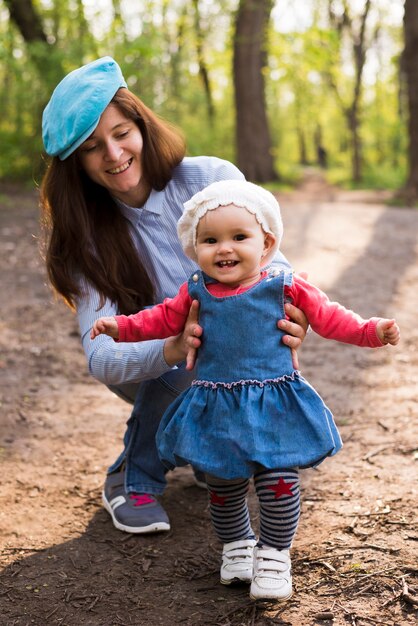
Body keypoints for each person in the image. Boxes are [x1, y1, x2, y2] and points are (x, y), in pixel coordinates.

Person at [91, 179, 400, 602]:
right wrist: (120, 327)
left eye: (240, 237)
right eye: (211, 240)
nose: (225, 249)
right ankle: (237, 547)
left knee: (278, 478)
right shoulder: (196, 289)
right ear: (194, 247)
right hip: (216, 404)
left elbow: (330, 318)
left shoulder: (285, 285)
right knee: (224, 483)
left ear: (266, 243)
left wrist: (371, 330)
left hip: (273, 402)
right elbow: (159, 320)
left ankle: (274, 553)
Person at [40, 57, 308, 536]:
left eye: (122, 132)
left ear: (141, 124)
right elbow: (102, 356)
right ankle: (129, 476)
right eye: (92, 147)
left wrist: (292, 314)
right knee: (198, 349)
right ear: (75, 164)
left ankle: (208, 447)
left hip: (237, 356)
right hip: (156, 362)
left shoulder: (210, 180)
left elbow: (274, 265)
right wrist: (172, 346)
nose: (114, 153)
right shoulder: (86, 241)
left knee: (238, 433)